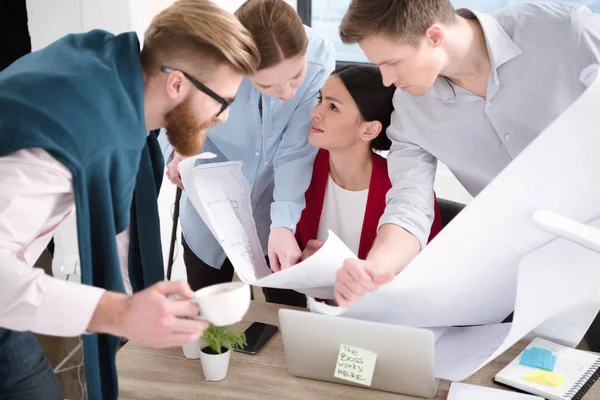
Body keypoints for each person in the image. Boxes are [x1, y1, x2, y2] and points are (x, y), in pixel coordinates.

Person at [0, 1, 260, 399]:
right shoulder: (57, 147)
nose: (223, 117)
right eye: (222, 101)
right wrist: (118, 314)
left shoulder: (104, 72)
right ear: (176, 85)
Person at [334, 1, 600, 350]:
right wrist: (373, 270)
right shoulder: (411, 110)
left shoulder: (564, 30)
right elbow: (408, 207)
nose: (386, 79)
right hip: (535, 273)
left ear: (434, 35)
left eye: (392, 62)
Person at [161, 0, 335, 308]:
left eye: (297, 76)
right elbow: (171, 118)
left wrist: (283, 222)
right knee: (206, 312)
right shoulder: (204, 60)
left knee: (285, 313)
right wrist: (179, 152)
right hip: (209, 206)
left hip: (277, 203)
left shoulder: (320, 53)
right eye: (268, 84)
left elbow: (296, 151)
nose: (287, 93)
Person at [296, 65, 442, 267]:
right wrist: (302, 260)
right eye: (320, 100)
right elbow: (287, 245)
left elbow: (425, 269)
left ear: (370, 129)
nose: (315, 112)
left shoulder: (407, 191)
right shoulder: (299, 169)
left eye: (333, 107)